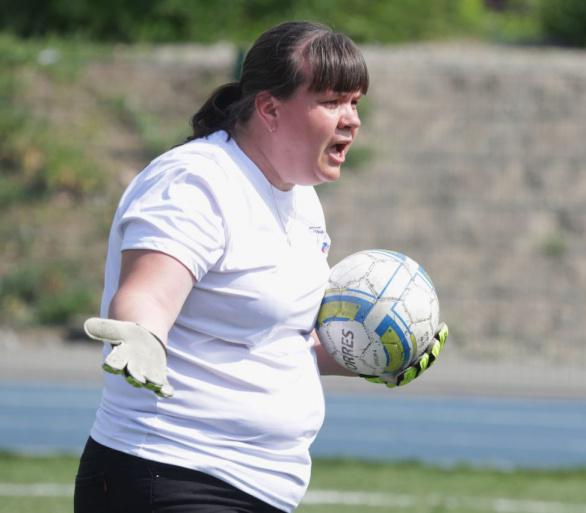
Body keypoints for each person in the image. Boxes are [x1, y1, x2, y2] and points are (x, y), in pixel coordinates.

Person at [73, 20, 448, 513]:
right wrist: (143, 334)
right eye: (332, 101)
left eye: (355, 102)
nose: (352, 120)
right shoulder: (196, 181)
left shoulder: (301, 198)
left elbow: (275, 339)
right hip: (168, 473)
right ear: (270, 108)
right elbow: (148, 295)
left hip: (256, 487)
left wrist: (367, 353)